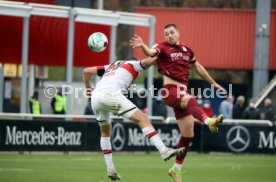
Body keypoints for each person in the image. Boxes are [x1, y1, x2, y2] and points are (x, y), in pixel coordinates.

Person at [130, 24, 224, 182]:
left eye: (172, 33)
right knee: (190, 99)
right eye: (166, 34)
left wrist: (214, 83)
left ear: (179, 33)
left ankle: (176, 169)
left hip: (181, 93)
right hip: (170, 91)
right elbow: (151, 52)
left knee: (188, 135)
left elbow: (198, 67)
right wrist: (143, 46)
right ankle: (209, 121)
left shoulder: (187, 49)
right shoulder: (162, 47)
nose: (169, 36)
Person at [83, 57, 184, 181]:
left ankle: (110, 169)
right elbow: (146, 62)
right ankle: (164, 150)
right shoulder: (133, 64)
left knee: (105, 131)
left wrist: (88, 89)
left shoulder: (111, 66)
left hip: (95, 97)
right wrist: (161, 54)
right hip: (110, 94)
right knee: (142, 118)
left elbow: (86, 71)